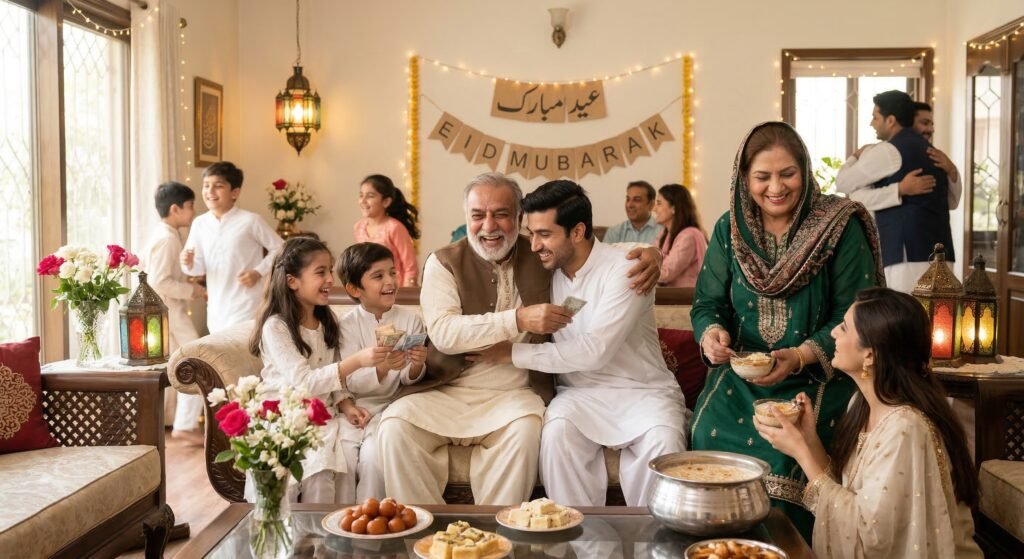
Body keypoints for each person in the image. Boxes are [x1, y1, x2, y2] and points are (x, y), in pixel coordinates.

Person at [375, 171, 662, 506]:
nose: (488, 226)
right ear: (466, 217)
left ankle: (496, 534)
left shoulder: (542, 253)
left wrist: (651, 252)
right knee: (395, 426)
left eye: (501, 214)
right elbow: (444, 334)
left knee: (527, 430)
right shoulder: (443, 262)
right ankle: (423, 532)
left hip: (514, 395)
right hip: (446, 390)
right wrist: (518, 319)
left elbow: (590, 251)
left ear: (518, 218)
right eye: (477, 215)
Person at [691, 121, 884, 540]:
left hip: (819, 377)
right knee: (706, 433)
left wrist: (799, 356)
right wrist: (711, 334)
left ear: (805, 171)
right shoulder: (730, 229)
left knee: (787, 455)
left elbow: (855, 314)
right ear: (744, 179)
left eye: (787, 174)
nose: (776, 187)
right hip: (741, 379)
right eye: (762, 176)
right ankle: (721, 546)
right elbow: (707, 303)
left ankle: (788, 549)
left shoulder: (838, 227)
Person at [467, 179, 687, 506]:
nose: (534, 245)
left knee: (664, 442)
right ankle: (582, 537)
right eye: (532, 233)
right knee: (556, 434)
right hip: (579, 395)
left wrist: (511, 353)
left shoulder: (628, 269)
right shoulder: (545, 267)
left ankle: (649, 537)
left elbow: (594, 351)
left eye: (545, 234)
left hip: (642, 392)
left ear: (578, 232)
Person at [753, 288, 982, 559]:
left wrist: (801, 453)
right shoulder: (861, 404)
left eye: (844, 327)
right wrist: (808, 439)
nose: (834, 333)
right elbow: (845, 496)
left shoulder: (905, 429)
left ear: (870, 355)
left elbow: (872, 537)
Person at [249, 237, 387, 503]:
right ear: (293, 281)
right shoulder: (276, 327)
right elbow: (305, 382)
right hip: (285, 419)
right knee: (296, 480)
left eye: (330, 271)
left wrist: (346, 404)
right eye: (320, 272)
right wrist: (357, 361)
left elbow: (329, 375)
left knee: (326, 475)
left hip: (322, 418)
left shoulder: (327, 320)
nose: (329, 279)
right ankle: (292, 530)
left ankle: (327, 530)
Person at [834, 91, 955, 293]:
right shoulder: (933, 152)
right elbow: (952, 201)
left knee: (901, 312)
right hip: (942, 257)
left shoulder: (888, 151)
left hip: (906, 256)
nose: (872, 123)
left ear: (890, 120)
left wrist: (855, 156)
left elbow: (843, 182)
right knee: (938, 313)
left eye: (875, 117)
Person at [335, 242, 427, 501]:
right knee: (343, 460)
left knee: (374, 459)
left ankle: (372, 524)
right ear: (354, 289)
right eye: (378, 276)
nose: (390, 281)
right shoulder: (346, 326)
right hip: (354, 408)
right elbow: (349, 380)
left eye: (392, 272)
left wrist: (416, 364)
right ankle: (341, 522)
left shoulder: (411, 320)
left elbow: (409, 380)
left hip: (391, 408)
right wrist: (383, 367)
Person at [180, 162, 284, 333]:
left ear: (235, 192)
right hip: (216, 309)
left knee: (245, 347)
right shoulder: (200, 224)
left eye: (218, 186)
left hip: (247, 305)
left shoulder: (251, 221)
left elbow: (281, 248)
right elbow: (197, 269)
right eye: (206, 185)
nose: (210, 191)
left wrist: (258, 272)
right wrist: (188, 262)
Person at [142, 181, 206, 439]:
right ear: (175, 209)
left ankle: (183, 423)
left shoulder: (165, 234)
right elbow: (160, 281)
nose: (193, 212)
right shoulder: (168, 239)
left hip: (169, 311)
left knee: (186, 365)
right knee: (197, 362)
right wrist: (194, 290)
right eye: (190, 206)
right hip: (170, 313)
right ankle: (184, 425)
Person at [353, 174, 420, 287]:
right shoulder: (358, 227)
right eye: (361, 195)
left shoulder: (394, 228)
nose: (363, 201)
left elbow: (410, 267)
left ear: (386, 202)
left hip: (395, 289)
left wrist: (406, 293)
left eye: (370, 196)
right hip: (371, 289)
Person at [653, 183, 708, 287]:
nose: (654, 209)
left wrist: (641, 272)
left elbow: (667, 272)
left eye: (659, 203)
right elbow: (652, 257)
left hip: (686, 295)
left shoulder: (688, 237)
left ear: (673, 208)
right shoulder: (664, 234)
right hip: (669, 293)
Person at [602, 180, 664, 244]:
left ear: (651, 205)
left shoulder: (663, 231)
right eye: (628, 199)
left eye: (636, 200)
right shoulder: (614, 232)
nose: (630, 205)